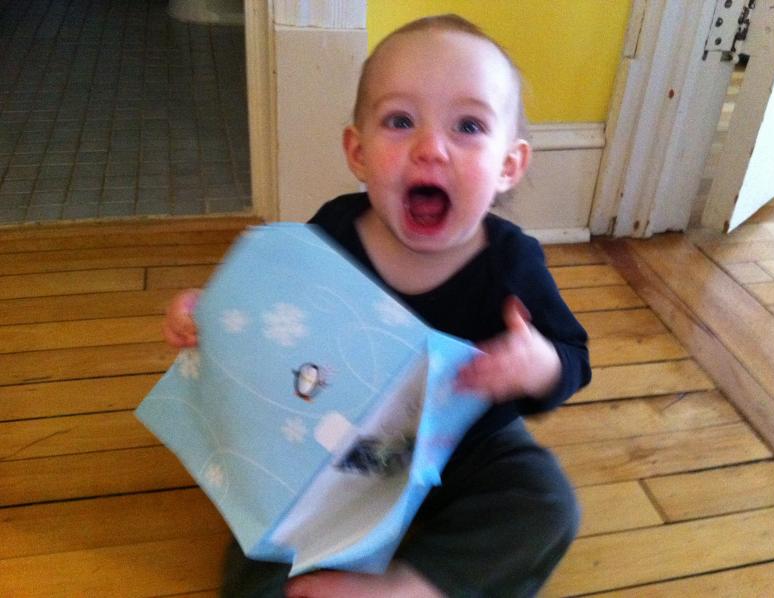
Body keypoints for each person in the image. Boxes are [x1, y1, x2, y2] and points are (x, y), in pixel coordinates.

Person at [164, 14, 590, 597]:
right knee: (261, 550)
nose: (430, 148)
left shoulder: (512, 262)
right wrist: (208, 315)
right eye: (400, 121)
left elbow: (572, 357)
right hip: (335, 446)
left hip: (466, 450)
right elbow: (270, 309)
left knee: (545, 502)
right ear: (357, 151)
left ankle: (413, 587)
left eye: (468, 126)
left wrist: (537, 363)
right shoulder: (333, 232)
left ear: (508, 165)